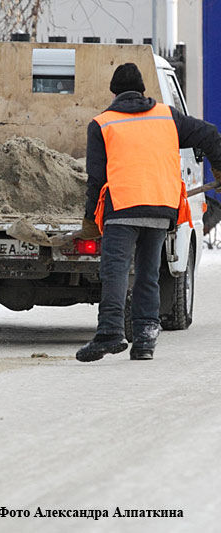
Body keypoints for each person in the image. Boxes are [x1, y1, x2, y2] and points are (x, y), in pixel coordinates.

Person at [76, 63, 221, 362]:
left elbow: (96, 180)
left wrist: (90, 219)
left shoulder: (102, 124)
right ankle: (144, 339)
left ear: (114, 93)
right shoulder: (167, 117)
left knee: (115, 271)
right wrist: (219, 167)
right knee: (148, 273)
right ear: (143, 90)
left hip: (122, 210)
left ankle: (110, 332)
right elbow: (209, 134)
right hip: (160, 208)